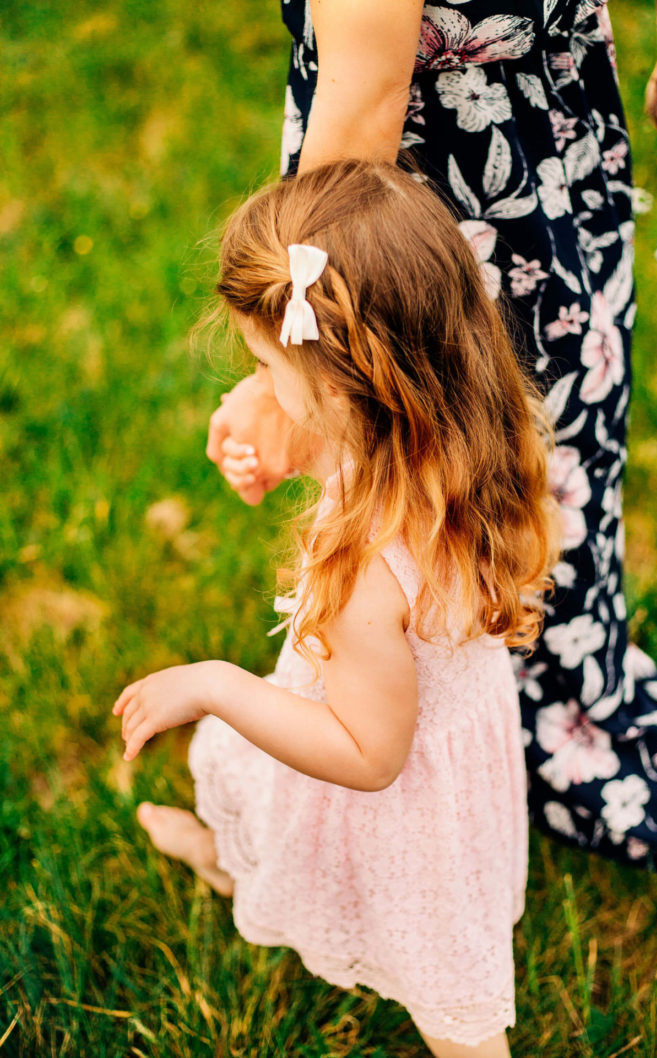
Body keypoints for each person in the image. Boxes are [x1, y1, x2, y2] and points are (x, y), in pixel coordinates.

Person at [208, 0, 657, 878]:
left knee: (413, 499)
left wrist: (285, 371)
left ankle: (435, 745)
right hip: (558, 148)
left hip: (407, 215)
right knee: (540, 460)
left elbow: (366, 99)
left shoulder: (347, 333)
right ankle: (539, 706)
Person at [114, 159, 559, 1057]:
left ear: (346, 385)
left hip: (399, 799)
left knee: (450, 998)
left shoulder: (362, 568)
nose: (261, 385)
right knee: (284, 840)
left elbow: (365, 757)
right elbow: (343, 453)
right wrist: (297, 458)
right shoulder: (473, 428)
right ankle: (231, 865)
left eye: (268, 365)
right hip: (453, 744)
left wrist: (216, 684)